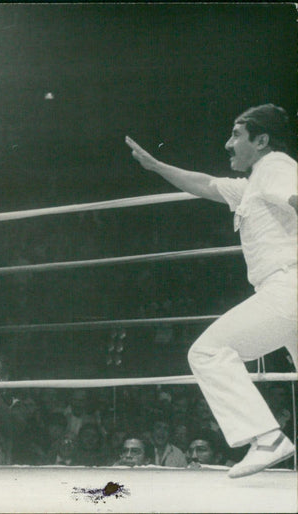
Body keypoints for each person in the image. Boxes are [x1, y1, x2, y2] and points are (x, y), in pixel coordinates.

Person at [126, 103, 297, 478]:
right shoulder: (252, 185)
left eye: (237, 135)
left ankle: (266, 439)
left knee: (208, 351)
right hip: (285, 289)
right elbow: (204, 183)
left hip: (288, 287)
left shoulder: (276, 167)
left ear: (262, 140)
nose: (228, 143)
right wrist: (156, 166)